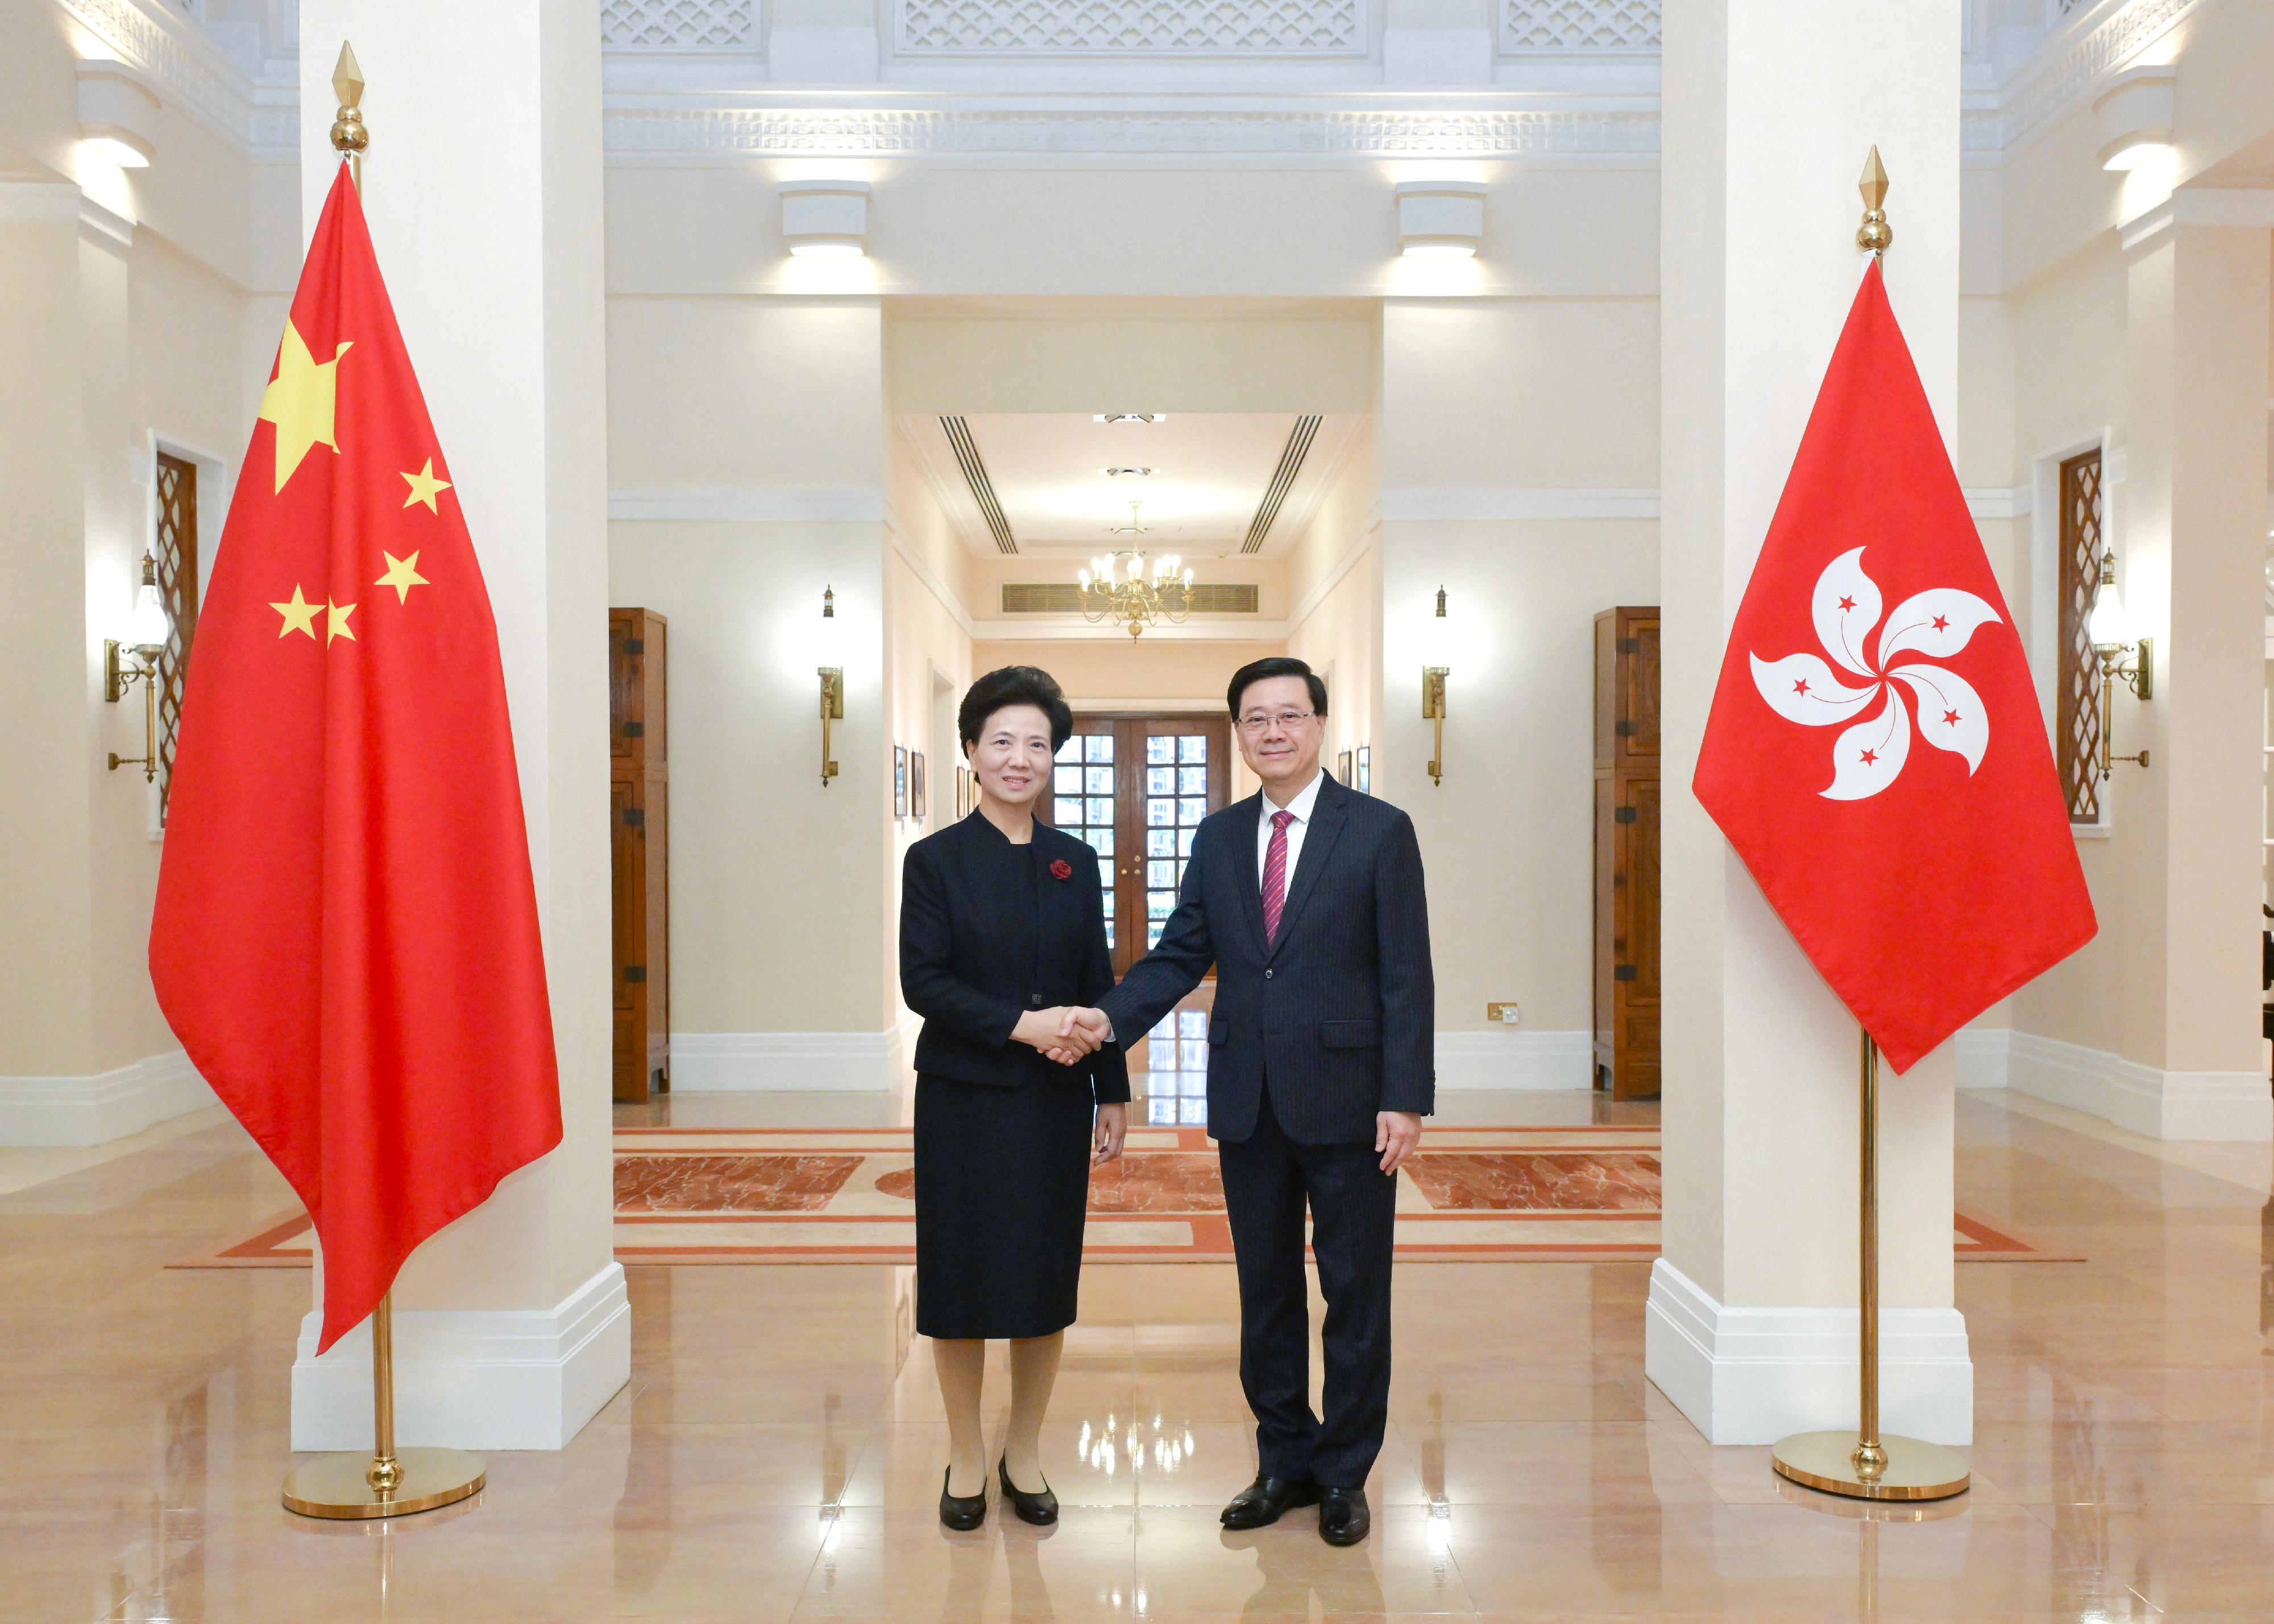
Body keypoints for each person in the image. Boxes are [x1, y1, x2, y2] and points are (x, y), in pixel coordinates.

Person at [1062, 657, 1433, 1547]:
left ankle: (1345, 1474)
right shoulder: (1221, 836)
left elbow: (1405, 974)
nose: (1273, 731)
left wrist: (1404, 1096)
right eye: (1256, 719)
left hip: (1351, 1103)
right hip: (1247, 1102)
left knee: (1354, 1293)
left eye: (1290, 716)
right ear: (1240, 731)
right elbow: (1180, 952)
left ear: (1318, 725)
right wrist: (1103, 1020)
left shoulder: (1380, 831)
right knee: (1264, 1292)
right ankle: (1283, 1462)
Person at [899, 665, 1128, 1532]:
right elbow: (924, 981)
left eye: (1037, 742)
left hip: (1052, 1103)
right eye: (1002, 740)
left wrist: (1113, 1089)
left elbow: (1094, 977)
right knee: (959, 1280)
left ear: (1053, 758)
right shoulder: (935, 861)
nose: (1020, 757)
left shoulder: (1077, 861)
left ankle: (1022, 1450)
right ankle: (964, 1452)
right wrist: (1027, 1026)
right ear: (970, 750)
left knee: (1040, 1279)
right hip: (961, 1098)